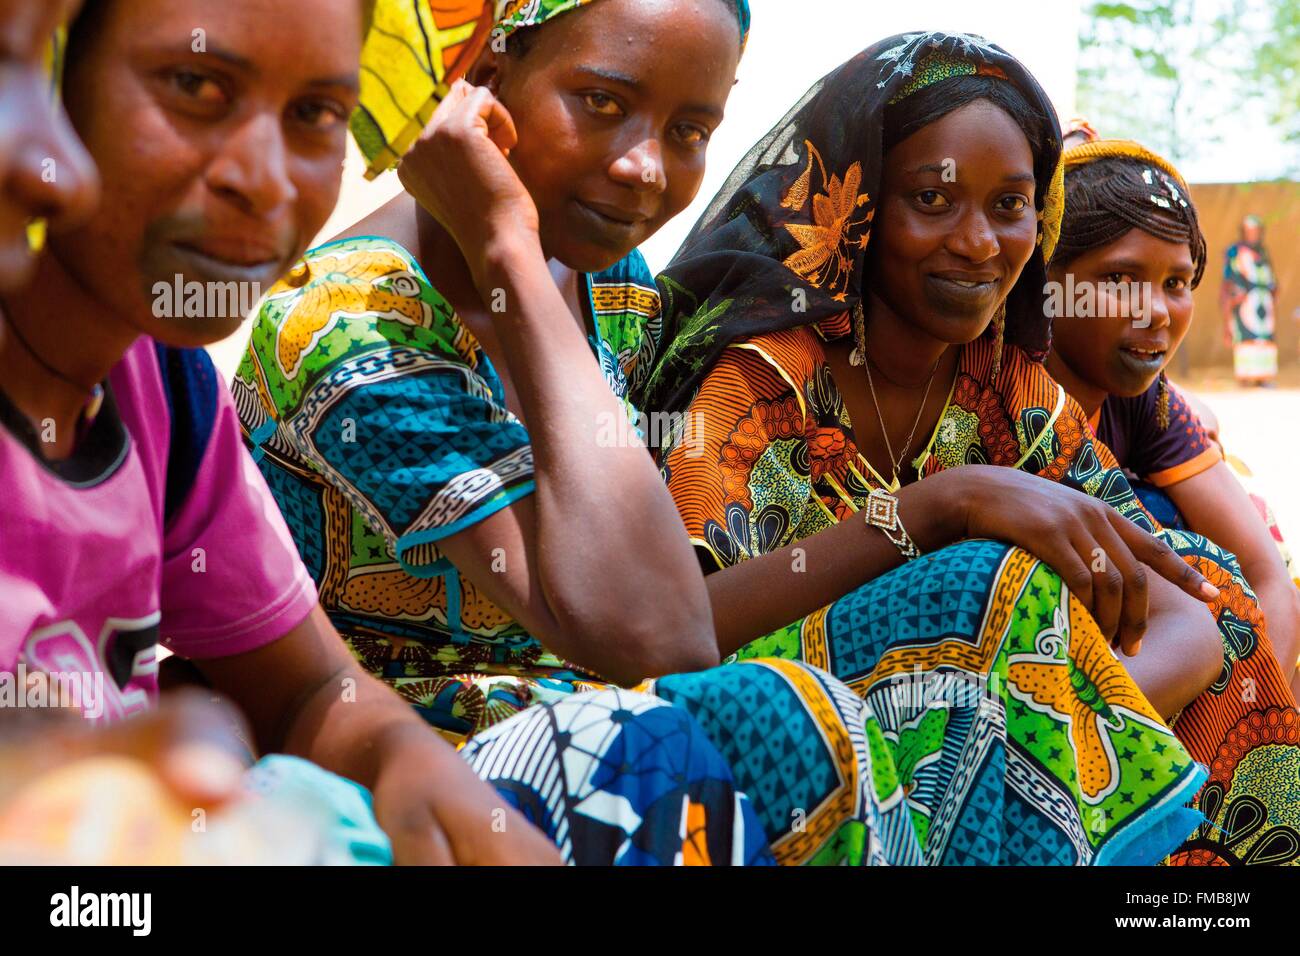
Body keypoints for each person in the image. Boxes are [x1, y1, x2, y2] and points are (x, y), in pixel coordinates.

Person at [0, 0, 775, 867]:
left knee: (779, 728)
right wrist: (505, 244)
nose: (264, 177)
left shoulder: (164, 391)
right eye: (194, 85)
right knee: (634, 753)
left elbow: (311, 689)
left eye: (317, 115)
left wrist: (404, 764)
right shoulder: (346, 321)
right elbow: (652, 633)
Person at [638, 31, 1300, 866]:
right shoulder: (762, 385)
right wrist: (942, 507)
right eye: (934, 199)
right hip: (784, 735)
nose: (981, 244)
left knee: (1218, 595)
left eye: (1010, 205)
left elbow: (1185, 599)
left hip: (980, 738)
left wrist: (1034, 726)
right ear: (861, 205)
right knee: (989, 583)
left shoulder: (1001, 382)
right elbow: (686, 637)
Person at [1044, 139, 1300, 699]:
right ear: (1046, 284)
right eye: (1118, 280)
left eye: (1176, 283)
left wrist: (1259, 714)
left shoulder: (1146, 400)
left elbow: (1267, 577)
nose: (1155, 310)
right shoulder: (995, 397)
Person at [1221, 215, 1279, 387]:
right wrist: (1231, 299)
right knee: (1246, 336)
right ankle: (1246, 377)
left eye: (1255, 230)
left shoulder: (1263, 252)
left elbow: (1270, 277)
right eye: (1249, 231)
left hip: (1263, 302)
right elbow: (1229, 278)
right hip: (1244, 303)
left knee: (1263, 337)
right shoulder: (1235, 251)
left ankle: (1263, 377)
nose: (1253, 234)